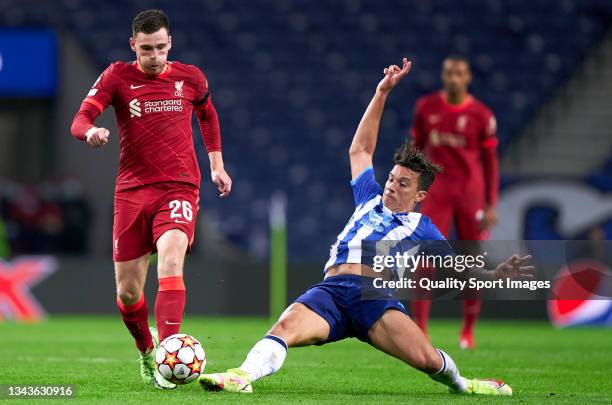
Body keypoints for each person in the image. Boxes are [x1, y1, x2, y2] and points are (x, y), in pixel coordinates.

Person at [197, 58, 532, 396]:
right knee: (285, 326)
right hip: (331, 291)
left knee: (428, 360)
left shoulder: (423, 226)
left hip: (374, 298)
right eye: (391, 178)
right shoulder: (367, 197)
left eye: (403, 184)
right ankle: (242, 375)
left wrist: (494, 275)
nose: (391, 185)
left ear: (420, 195)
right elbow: (360, 149)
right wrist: (381, 93)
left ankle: (465, 385)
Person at [70, 9, 232, 389]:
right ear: (133, 46)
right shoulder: (116, 76)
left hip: (179, 187)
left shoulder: (190, 77)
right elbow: (79, 118)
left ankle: (168, 359)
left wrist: (216, 165)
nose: (155, 56)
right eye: (146, 50)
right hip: (131, 192)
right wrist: (90, 131)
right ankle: (147, 349)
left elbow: (207, 115)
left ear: (170, 42)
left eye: (160, 48)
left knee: (172, 260)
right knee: (128, 293)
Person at [410, 56, 499, 349]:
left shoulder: (481, 115)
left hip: (470, 195)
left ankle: (468, 332)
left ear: (468, 77)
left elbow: (490, 163)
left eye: (459, 73)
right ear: (443, 75)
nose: (453, 78)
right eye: (448, 72)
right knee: (425, 258)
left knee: (471, 262)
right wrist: (410, 188)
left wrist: (490, 204)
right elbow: (415, 151)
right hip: (437, 193)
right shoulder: (426, 108)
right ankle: (419, 329)